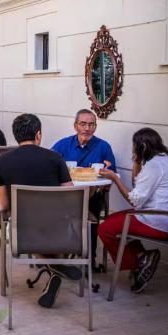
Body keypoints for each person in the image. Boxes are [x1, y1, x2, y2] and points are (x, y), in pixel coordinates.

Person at [0, 113, 81, 310]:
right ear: (38, 134)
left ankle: (55, 270)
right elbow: (69, 196)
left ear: (15, 136)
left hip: (23, 234)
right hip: (59, 230)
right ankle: (58, 268)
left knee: (26, 224)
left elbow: (5, 206)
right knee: (48, 225)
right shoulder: (56, 158)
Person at [98, 128, 168, 293]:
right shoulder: (167, 160)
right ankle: (143, 258)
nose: (133, 149)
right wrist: (136, 162)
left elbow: (133, 199)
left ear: (142, 146)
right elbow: (138, 186)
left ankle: (139, 262)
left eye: (135, 147)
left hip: (160, 221)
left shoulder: (154, 166)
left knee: (105, 228)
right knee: (112, 220)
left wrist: (115, 178)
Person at [52, 109, 117, 270]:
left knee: (92, 210)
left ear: (95, 127)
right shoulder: (63, 144)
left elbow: (111, 175)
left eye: (91, 124)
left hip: (92, 196)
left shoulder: (103, 147)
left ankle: (89, 260)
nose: (87, 128)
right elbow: (49, 165)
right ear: (75, 126)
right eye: (83, 124)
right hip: (64, 196)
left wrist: (107, 175)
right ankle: (56, 257)